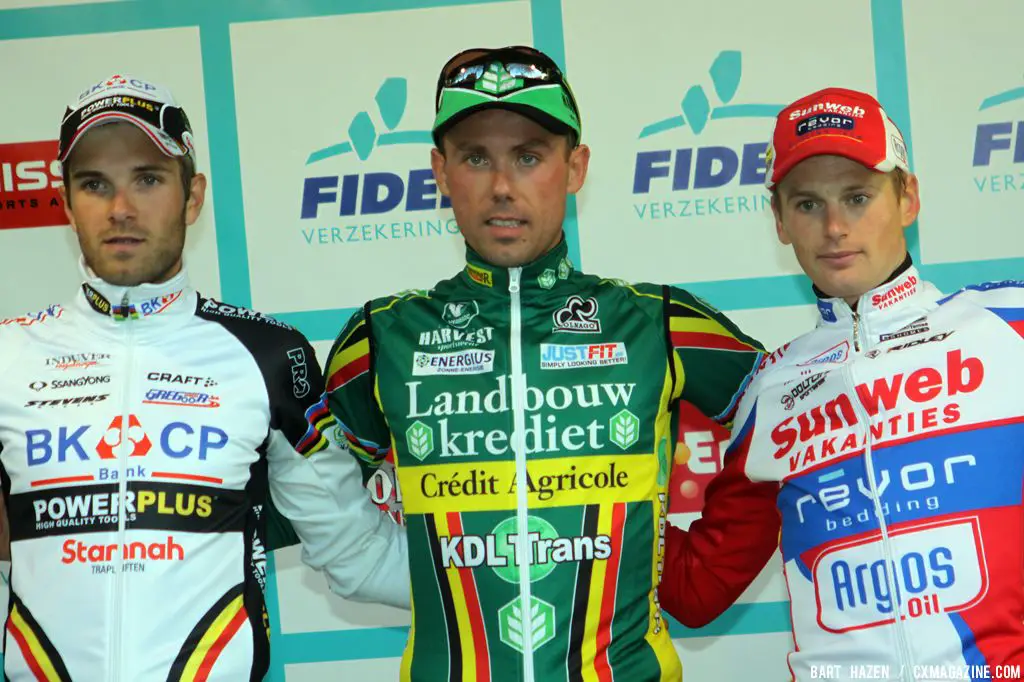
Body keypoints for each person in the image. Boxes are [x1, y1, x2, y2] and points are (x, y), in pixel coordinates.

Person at [316, 45, 781, 681]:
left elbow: (789, 411)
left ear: (576, 167)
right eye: (476, 158)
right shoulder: (381, 337)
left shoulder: (655, 321)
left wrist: (693, 571)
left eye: (529, 156)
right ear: (440, 171)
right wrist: (394, 568)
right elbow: (318, 487)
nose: (502, 186)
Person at [0, 74, 409, 681]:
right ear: (65, 203)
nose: (120, 208)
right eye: (94, 184)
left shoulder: (270, 354)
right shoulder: (10, 354)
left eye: (148, 178)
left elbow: (357, 553)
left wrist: (532, 575)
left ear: (192, 196)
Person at [665, 86, 1024, 680]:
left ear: (907, 196)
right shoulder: (771, 390)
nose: (834, 227)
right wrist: (606, 496)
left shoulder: (1007, 326)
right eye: (807, 205)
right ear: (779, 221)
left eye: (857, 197)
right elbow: (693, 590)